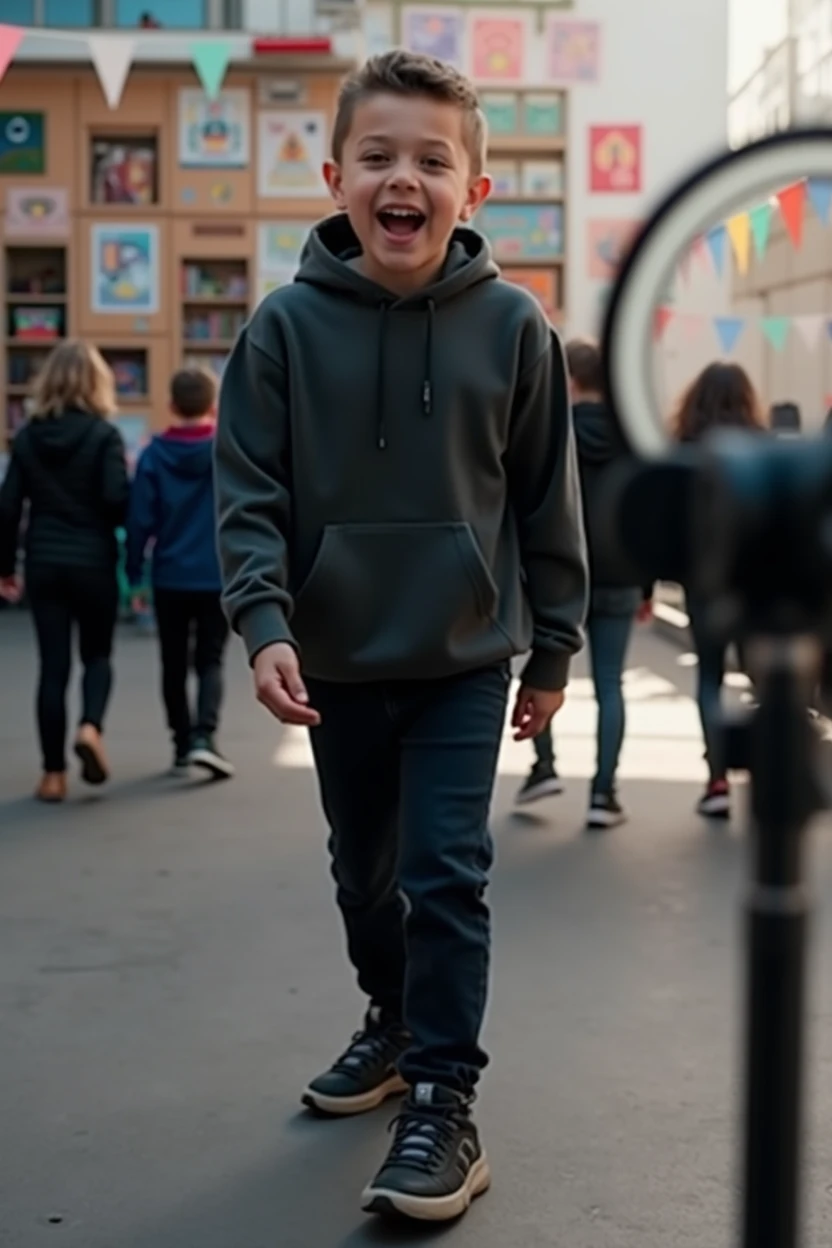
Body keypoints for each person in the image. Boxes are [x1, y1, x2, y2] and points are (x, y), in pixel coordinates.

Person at [214, 49, 587, 1224]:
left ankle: (443, 1097)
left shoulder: (513, 326)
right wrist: (264, 620)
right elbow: (249, 492)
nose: (402, 178)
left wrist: (559, 645)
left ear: (472, 190)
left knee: (444, 878)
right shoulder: (281, 329)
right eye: (378, 156)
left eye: (432, 159)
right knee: (364, 881)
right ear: (336, 176)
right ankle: (390, 1022)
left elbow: (544, 493)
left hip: (466, 659)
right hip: (333, 664)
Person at [516, 338, 651, 828]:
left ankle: (544, 765)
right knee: (610, 684)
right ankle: (603, 794)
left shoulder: (553, 433)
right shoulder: (630, 437)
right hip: (620, 577)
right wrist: (648, 587)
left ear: (568, 380)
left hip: (555, 577)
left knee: (541, 669)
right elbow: (646, 516)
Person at [0, 340, 128, 802]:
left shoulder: (29, 436)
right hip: (93, 560)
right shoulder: (104, 436)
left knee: (52, 667)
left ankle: (52, 775)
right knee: (97, 656)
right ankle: (90, 728)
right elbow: (117, 503)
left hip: (45, 562)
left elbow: (8, 505)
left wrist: (4, 568)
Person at [126, 367, 233, 780]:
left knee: (172, 663)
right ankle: (206, 738)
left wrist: (134, 574)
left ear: (171, 405)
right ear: (213, 407)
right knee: (210, 659)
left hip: (169, 575)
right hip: (217, 572)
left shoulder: (153, 456)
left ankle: (181, 745)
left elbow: (139, 521)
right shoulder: (224, 452)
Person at [672, 361, 767, 818]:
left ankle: (716, 782)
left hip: (702, 580)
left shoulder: (683, 451)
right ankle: (771, 769)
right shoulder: (761, 448)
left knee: (709, 677)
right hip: (753, 582)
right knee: (765, 677)